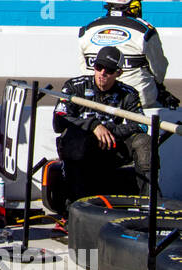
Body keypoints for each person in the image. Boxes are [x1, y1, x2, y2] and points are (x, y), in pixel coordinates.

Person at [53, 46, 152, 216]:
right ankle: (76, 210)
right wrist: (93, 126)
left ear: (118, 73)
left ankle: (149, 208)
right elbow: (59, 121)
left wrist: (110, 130)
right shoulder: (75, 86)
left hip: (111, 148)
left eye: (109, 70)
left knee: (143, 141)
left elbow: (142, 125)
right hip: (79, 150)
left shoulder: (128, 93)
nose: (102, 73)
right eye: (99, 67)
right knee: (76, 139)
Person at [78, 0, 176, 113]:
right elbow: (159, 69)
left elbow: (83, 67)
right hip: (136, 102)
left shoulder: (87, 29)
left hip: (93, 98)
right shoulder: (145, 31)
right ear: (135, 5)